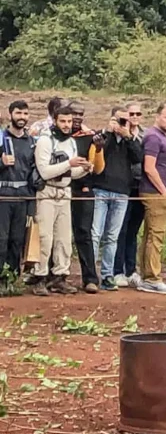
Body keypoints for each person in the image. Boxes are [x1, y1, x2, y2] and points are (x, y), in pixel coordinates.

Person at [32, 106, 93, 295]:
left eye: (69, 121)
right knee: (44, 237)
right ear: (55, 121)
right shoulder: (45, 141)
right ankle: (39, 276)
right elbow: (44, 171)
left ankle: (60, 276)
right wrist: (69, 163)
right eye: (63, 121)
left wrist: (84, 169)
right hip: (47, 192)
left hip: (65, 192)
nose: (67, 125)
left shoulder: (71, 143)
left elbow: (71, 173)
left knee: (64, 238)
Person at [90, 108, 143, 291]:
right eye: (118, 120)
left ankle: (107, 275)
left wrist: (127, 136)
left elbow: (138, 158)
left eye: (124, 120)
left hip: (122, 192)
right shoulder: (104, 136)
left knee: (112, 237)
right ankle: (90, 275)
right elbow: (100, 152)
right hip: (101, 189)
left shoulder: (131, 140)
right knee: (95, 234)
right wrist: (109, 132)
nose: (121, 124)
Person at [137, 103, 166, 295]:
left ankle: (147, 275)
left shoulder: (161, 136)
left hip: (156, 191)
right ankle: (152, 277)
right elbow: (149, 167)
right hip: (154, 192)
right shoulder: (153, 137)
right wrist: (163, 191)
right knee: (156, 235)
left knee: (150, 235)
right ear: (157, 116)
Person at [67, 102, 105, 294]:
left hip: (83, 189)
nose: (77, 117)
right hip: (60, 188)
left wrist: (98, 150)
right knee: (60, 235)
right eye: (73, 113)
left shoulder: (90, 138)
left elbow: (97, 168)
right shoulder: (56, 136)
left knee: (84, 233)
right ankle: (56, 277)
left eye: (80, 114)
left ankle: (90, 278)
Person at [113, 102, 146, 288]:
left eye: (137, 114)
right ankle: (117, 270)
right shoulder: (118, 132)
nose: (134, 117)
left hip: (140, 186)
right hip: (124, 184)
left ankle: (131, 269)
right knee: (120, 229)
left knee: (133, 230)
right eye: (130, 114)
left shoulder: (146, 134)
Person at [0, 101, 34, 278]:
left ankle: (12, 279)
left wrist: (32, 202)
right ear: (10, 114)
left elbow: (33, 173)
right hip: (3, 195)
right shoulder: (0, 138)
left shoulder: (31, 141)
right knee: (1, 239)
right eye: (19, 113)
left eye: (25, 114)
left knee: (17, 239)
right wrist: (1, 163)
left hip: (22, 197)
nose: (22, 117)